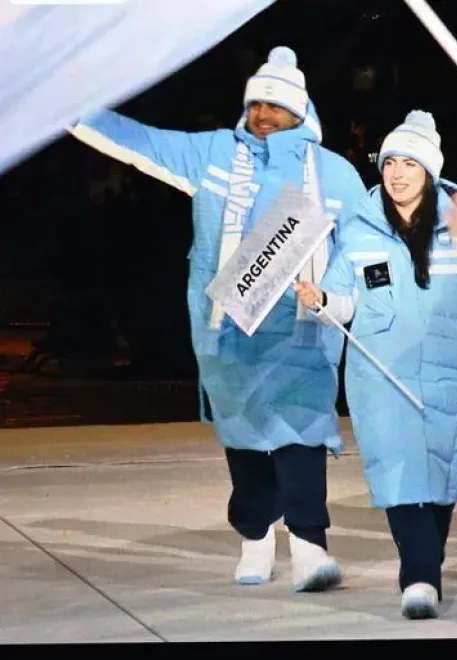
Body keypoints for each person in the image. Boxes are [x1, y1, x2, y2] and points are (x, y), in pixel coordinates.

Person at [68, 47, 367, 592]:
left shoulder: (333, 174)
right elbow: (139, 143)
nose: (263, 116)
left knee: (301, 439)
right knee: (245, 439)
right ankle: (255, 538)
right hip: (228, 334)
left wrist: (335, 294)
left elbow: (362, 243)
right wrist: (65, 108)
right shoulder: (212, 154)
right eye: (256, 105)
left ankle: (308, 545)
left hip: (301, 334)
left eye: (276, 108)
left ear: (302, 113)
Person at [295, 110, 457, 619]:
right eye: (390, 161)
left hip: (448, 374)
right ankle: (418, 576)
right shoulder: (360, 229)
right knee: (399, 476)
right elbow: (345, 302)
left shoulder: (455, 222)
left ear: (428, 172)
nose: (396, 172)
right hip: (380, 377)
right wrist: (321, 297)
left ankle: (425, 563)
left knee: (439, 480)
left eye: (408, 164)